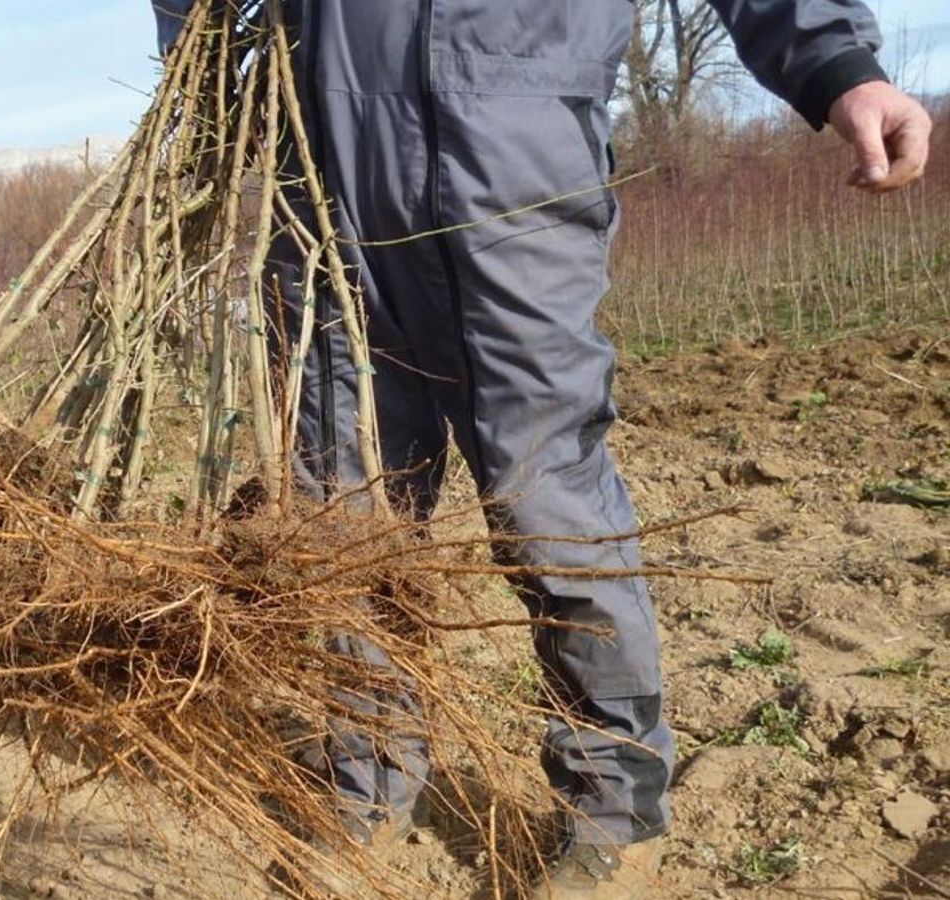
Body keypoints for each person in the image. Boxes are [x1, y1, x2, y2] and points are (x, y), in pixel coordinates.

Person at [150, 2, 932, 898]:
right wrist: (201, 66)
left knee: (549, 498)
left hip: (518, 167)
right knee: (342, 503)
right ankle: (362, 781)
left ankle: (614, 807)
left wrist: (836, 64)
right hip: (325, 167)